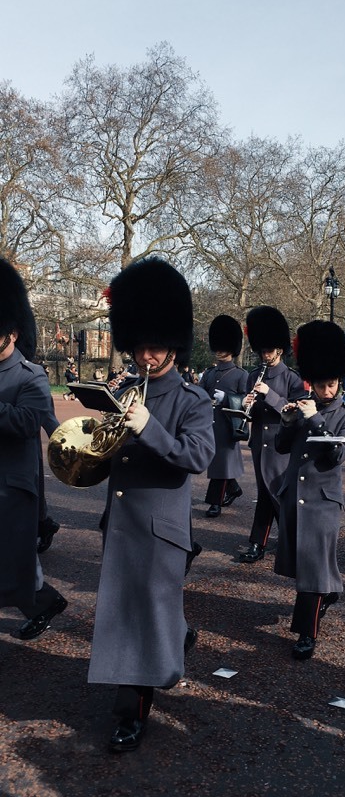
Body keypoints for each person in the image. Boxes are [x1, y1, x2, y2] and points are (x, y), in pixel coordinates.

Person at [87, 257, 215, 753]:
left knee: (142, 617)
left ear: (173, 347)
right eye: (139, 345)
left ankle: (131, 714)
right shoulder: (124, 392)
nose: (145, 354)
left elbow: (196, 457)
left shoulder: (193, 400)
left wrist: (147, 427)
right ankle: (176, 635)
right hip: (121, 521)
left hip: (160, 528)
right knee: (128, 613)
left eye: (154, 345)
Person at [274, 320, 345, 660]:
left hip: (323, 502)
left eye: (332, 384)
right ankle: (329, 591)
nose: (327, 390)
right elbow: (282, 447)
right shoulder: (302, 405)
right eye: (322, 384)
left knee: (311, 569)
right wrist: (287, 421)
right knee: (307, 566)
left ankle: (306, 635)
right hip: (295, 496)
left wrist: (314, 420)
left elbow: (337, 455)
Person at [0, 258, 67, 639]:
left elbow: (30, 421)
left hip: (11, 484)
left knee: (15, 563)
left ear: (11, 334)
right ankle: (44, 600)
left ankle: (43, 600)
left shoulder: (33, 375)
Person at [238, 306, 304, 564]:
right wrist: (247, 404)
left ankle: (290, 541)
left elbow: (295, 413)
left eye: (269, 350)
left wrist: (271, 395)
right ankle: (259, 542)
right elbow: (252, 413)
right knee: (265, 493)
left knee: (279, 493)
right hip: (259, 444)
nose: (265, 354)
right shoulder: (253, 375)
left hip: (280, 445)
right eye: (262, 350)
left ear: (279, 349)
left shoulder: (291, 378)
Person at [199, 315, 248, 518]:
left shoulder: (240, 374)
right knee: (218, 462)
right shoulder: (210, 373)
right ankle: (234, 488)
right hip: (211, 424)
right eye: (217, 346)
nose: (219, 350)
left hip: (229, 425)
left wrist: (227, 398)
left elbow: (247, 399)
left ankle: (215, 502)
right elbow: (200, 394)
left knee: (221, 463)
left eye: (224, 346)